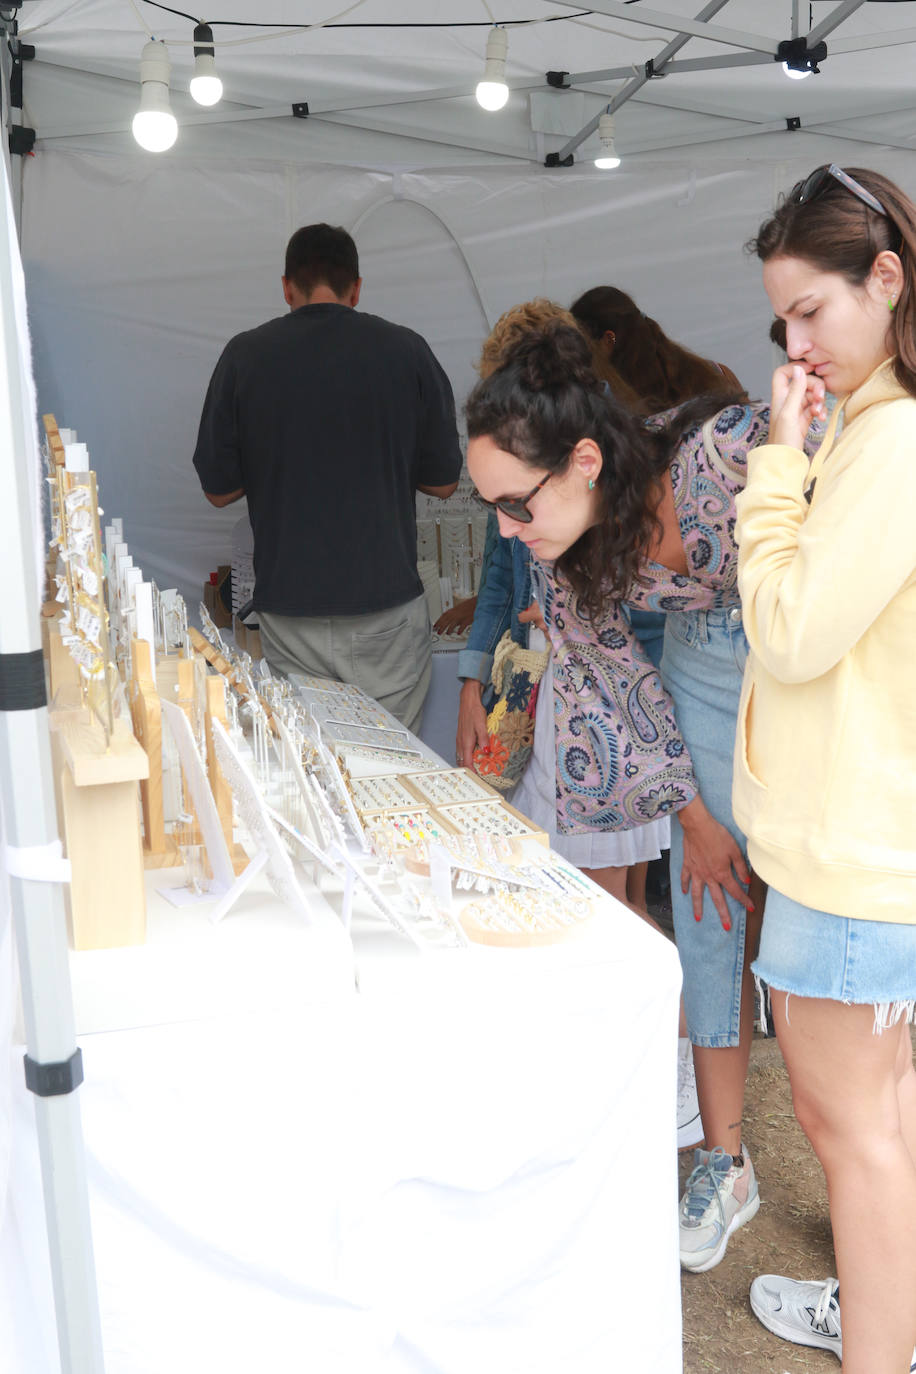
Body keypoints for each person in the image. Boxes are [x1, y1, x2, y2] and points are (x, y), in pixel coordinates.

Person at [463, 314, 815, 1273]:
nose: (505, 527)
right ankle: (726, 1157)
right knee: (706, 903)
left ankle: (867, 1151)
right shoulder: (557, 549)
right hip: (705, 664)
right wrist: (693, 819)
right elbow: (619, 685)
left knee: (832, 899)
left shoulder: (729, 451)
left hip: (815, 655)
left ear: (583, 460)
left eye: (513, 502)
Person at [734, 164, 916, 1374]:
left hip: (848, 851)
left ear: (886, 280)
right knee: (875, 1128)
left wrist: (773, 465)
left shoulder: (888, 443)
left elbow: (790, 632)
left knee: (851, 1135)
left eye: (811, 310)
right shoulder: (874, 432)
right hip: (853, 838)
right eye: (781, 320)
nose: (795, 343)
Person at [192, 222, 461, 732]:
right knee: (393, 770)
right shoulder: (408, 352)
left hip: (292, 608)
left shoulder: (244, 357)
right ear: (356, 288)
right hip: (387, 606)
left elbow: (218, 489)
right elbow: (444, 483)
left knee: (315, 775)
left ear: (287, 286)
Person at [570, 284, 744, 415]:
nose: (581, 356)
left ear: (608, 340)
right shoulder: (718, 372)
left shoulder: (613, 406)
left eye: (584, 345)